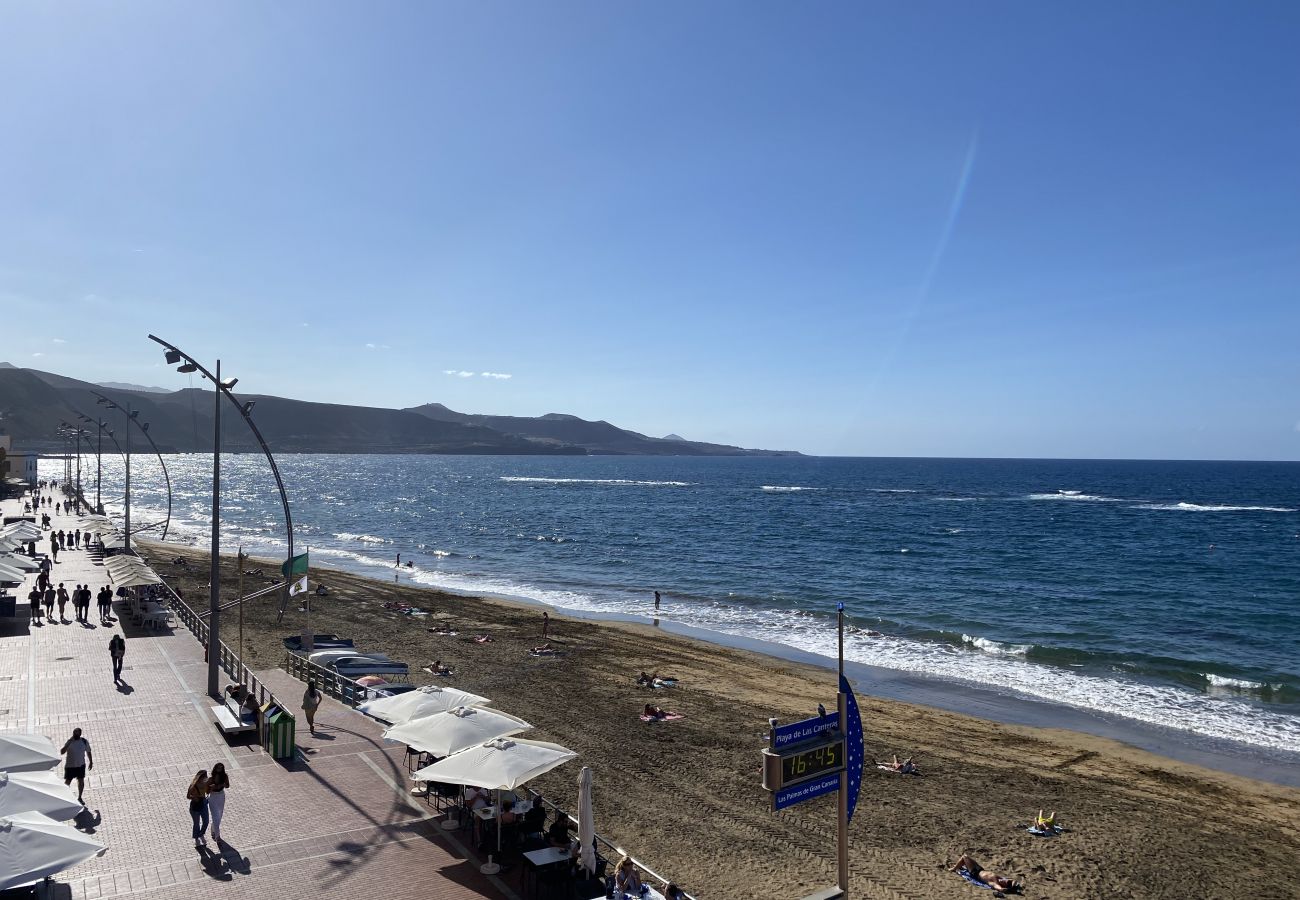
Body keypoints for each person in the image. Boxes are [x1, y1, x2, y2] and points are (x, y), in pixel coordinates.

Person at [951, 855, 1020, 893]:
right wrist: (1013, 885)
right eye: (1006, 880)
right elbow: (1014, 881)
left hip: (975, 872)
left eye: (1005, 882)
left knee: (964, 857)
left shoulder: (995, 883)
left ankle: (954, 869)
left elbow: (1001, 889)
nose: (1005, 880)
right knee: (966, 857)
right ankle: (957, 866)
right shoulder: (1000, 879)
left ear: (1004, 885)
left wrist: (1009, 889)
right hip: (980, 869)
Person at [60, 728, 93, 805]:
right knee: (67, 782)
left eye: (77, 733)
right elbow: (62, 751)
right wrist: (69, 742)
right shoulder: (70, 742)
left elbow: (88, 751)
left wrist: (91, 762)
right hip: (70, 766)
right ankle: (63, 797)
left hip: (81, 765)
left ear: (80, 734)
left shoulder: (84, 741)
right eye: (74, 733)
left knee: (81, 781)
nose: (75, 735)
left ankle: (80, 797)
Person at [207, 763, 230, 843]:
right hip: (213, 797)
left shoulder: (225, 776)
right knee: (215, 817)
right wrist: (211, 788)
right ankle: (217, 836)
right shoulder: (211, 778)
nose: (219, 769)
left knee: (219, 815)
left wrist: (223, 784)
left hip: (221, 796)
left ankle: (213, 828)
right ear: (215, 768)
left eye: (221, 768)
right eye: (218, 768)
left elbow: (227, 785)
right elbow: (207, 791)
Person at [187, 769, 210, 847]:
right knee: (196, 823)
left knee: (206, 821)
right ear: (200, 777)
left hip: (203, 804)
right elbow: (188, 796)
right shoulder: (193, 785)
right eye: (205, 777)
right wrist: (194, 797)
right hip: (195, 806)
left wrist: (210, 788)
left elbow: (207, 792)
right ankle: (196, 838)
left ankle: (201, 834)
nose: (206, 778)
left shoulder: (205, 784)